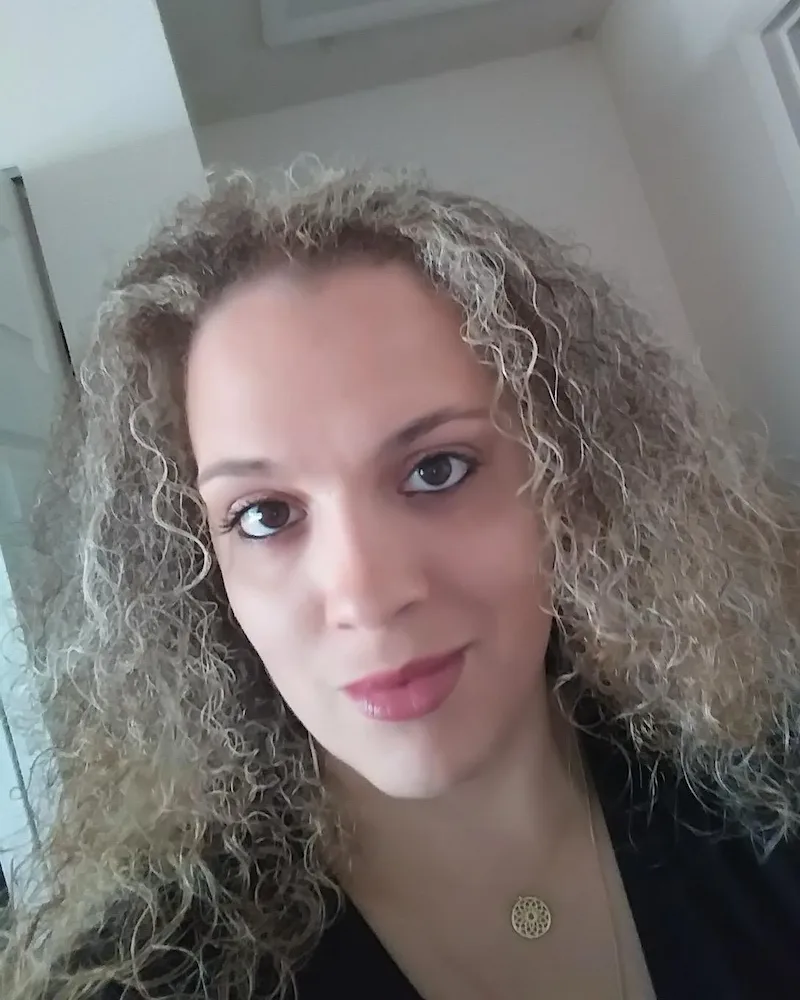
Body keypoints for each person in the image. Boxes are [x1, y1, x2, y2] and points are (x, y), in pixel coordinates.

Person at [1, 165, 799, 1000]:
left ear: (572, 485)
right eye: (265, 515)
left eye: (438, 469)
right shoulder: (150, 980)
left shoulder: (767, 791)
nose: (366, 595)